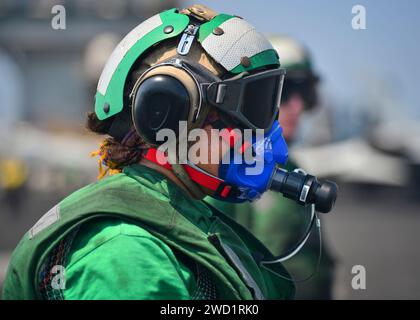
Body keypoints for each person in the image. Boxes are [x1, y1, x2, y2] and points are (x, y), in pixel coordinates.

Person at [2, 5, 298, 300]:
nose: (267, 139)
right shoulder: (126, 251)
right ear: (171, 111)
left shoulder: (171, 221)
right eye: (252, 111)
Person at [206, 35, 336, 299]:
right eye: (285, 92)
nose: (296, 106)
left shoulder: (295, 171)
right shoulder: (220, 167)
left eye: (305, 93)